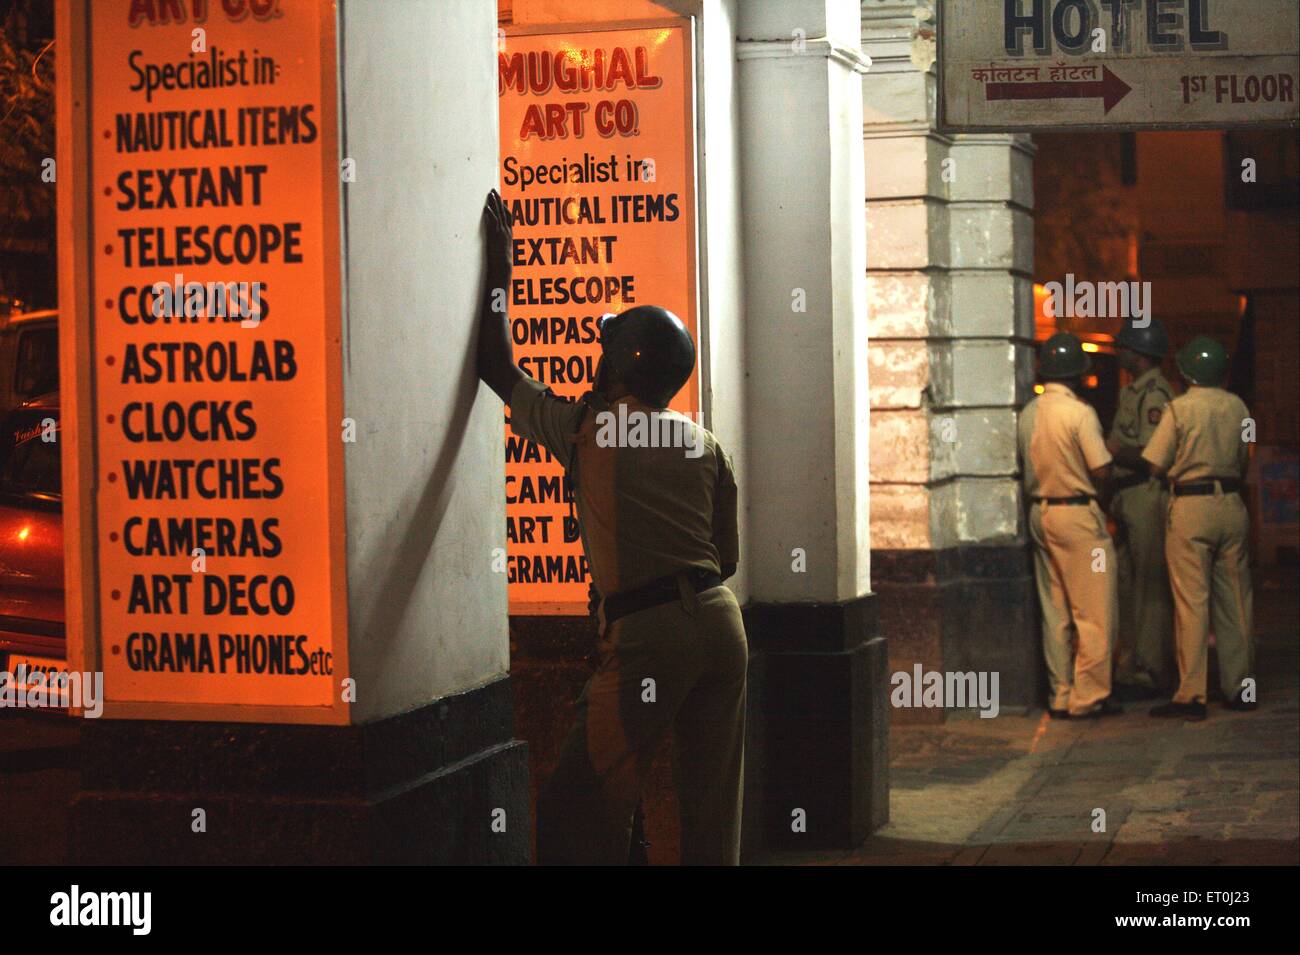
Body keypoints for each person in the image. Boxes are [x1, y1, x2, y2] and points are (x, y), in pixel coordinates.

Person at [475, 189, 748, 864]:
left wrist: (500, 270)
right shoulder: (703, 440)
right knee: (712, 816)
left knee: (576, 807)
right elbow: (727, 556)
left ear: (619, 361)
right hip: (721, 624)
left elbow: (495, 366)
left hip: (648, 633)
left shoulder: (589, 429)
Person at [1144, 336, 1254, 721]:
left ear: (1187, 370)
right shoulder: (1241, 407)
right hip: (1232, 503)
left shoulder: (1179, 409)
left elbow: (1156, 463)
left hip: (1191, 505)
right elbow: (1246, 455)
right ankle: (1241, 687)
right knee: (1237, 599)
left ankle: (1192, 695)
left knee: (1192, 601)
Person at [1018, 332, 1121, 719]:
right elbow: (1102, 467)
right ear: (1079, 373)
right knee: (1095, 611)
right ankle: (1089, 696)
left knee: (1055, 609)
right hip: (1079, 520)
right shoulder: (1080, 413)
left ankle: (1060, 695)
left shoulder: (1029, 412)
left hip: (1040, 515)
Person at [1106, 318, 1176, 698]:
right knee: (1126, 585)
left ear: (1139, 353)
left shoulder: (1155, 394)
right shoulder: (1133, 390)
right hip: (1126, 495)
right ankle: (1129, 666)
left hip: (1145, 494)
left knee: (1149, 587)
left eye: (1124, 347)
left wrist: (1114, 451)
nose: (1119, 353)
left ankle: (1151, 669)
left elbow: (1154, 456)